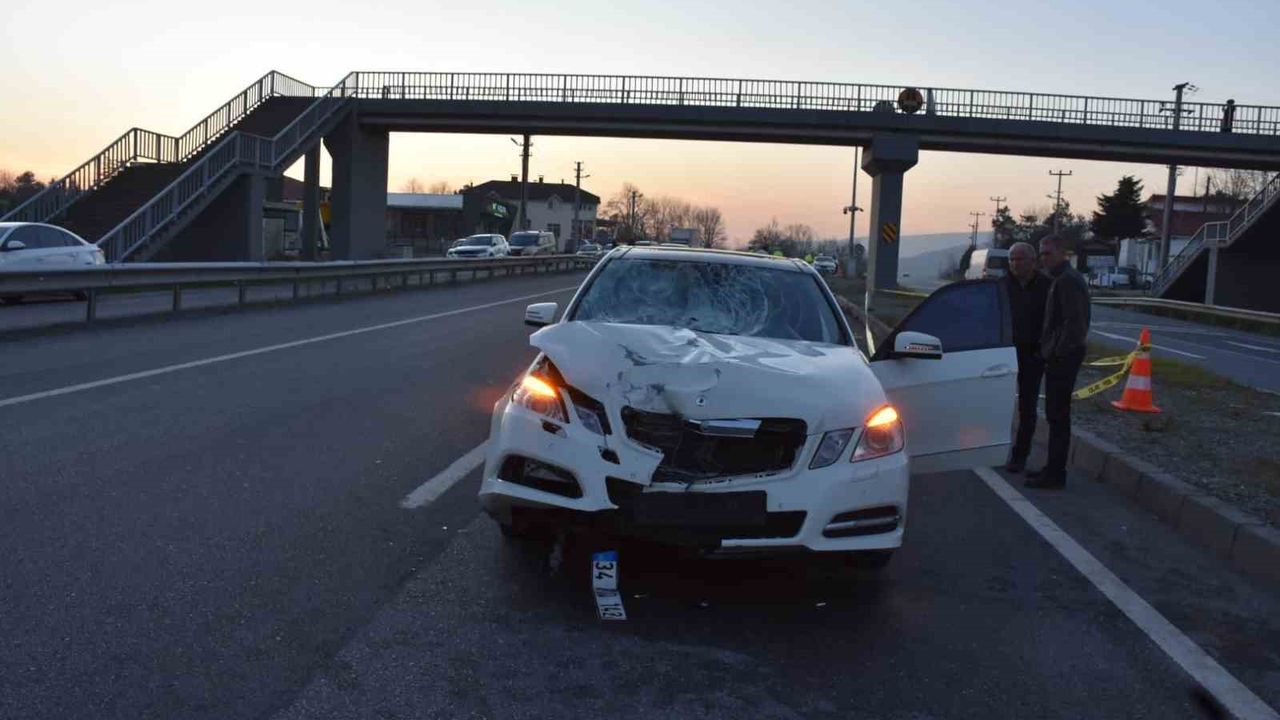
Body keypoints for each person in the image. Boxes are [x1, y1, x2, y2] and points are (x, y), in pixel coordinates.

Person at [1027, 234, 1091, 489]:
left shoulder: (1067, 281)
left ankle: (1055, 474)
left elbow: (1074, 325)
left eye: (1047, 253)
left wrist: (1055, 352)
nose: (1043, 259)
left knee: (1058, 415)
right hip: (1060, 355)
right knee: (1055, 416)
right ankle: (1052, 468)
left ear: (1062, 253)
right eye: (1041, 254)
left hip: (1064, 358)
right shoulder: (1061, 279)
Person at [1001, 242, 1050, 473]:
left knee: (1027, 408)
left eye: (1019, 259)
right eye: (1011, 259)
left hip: (1033, 355)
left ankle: (1020, 456)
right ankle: (991, 448)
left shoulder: (1047, 286)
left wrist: (1044, 350)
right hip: (1003, 354)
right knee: (997, 403)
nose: (1014, 264)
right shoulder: (1001, 286)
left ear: (1032, 261)